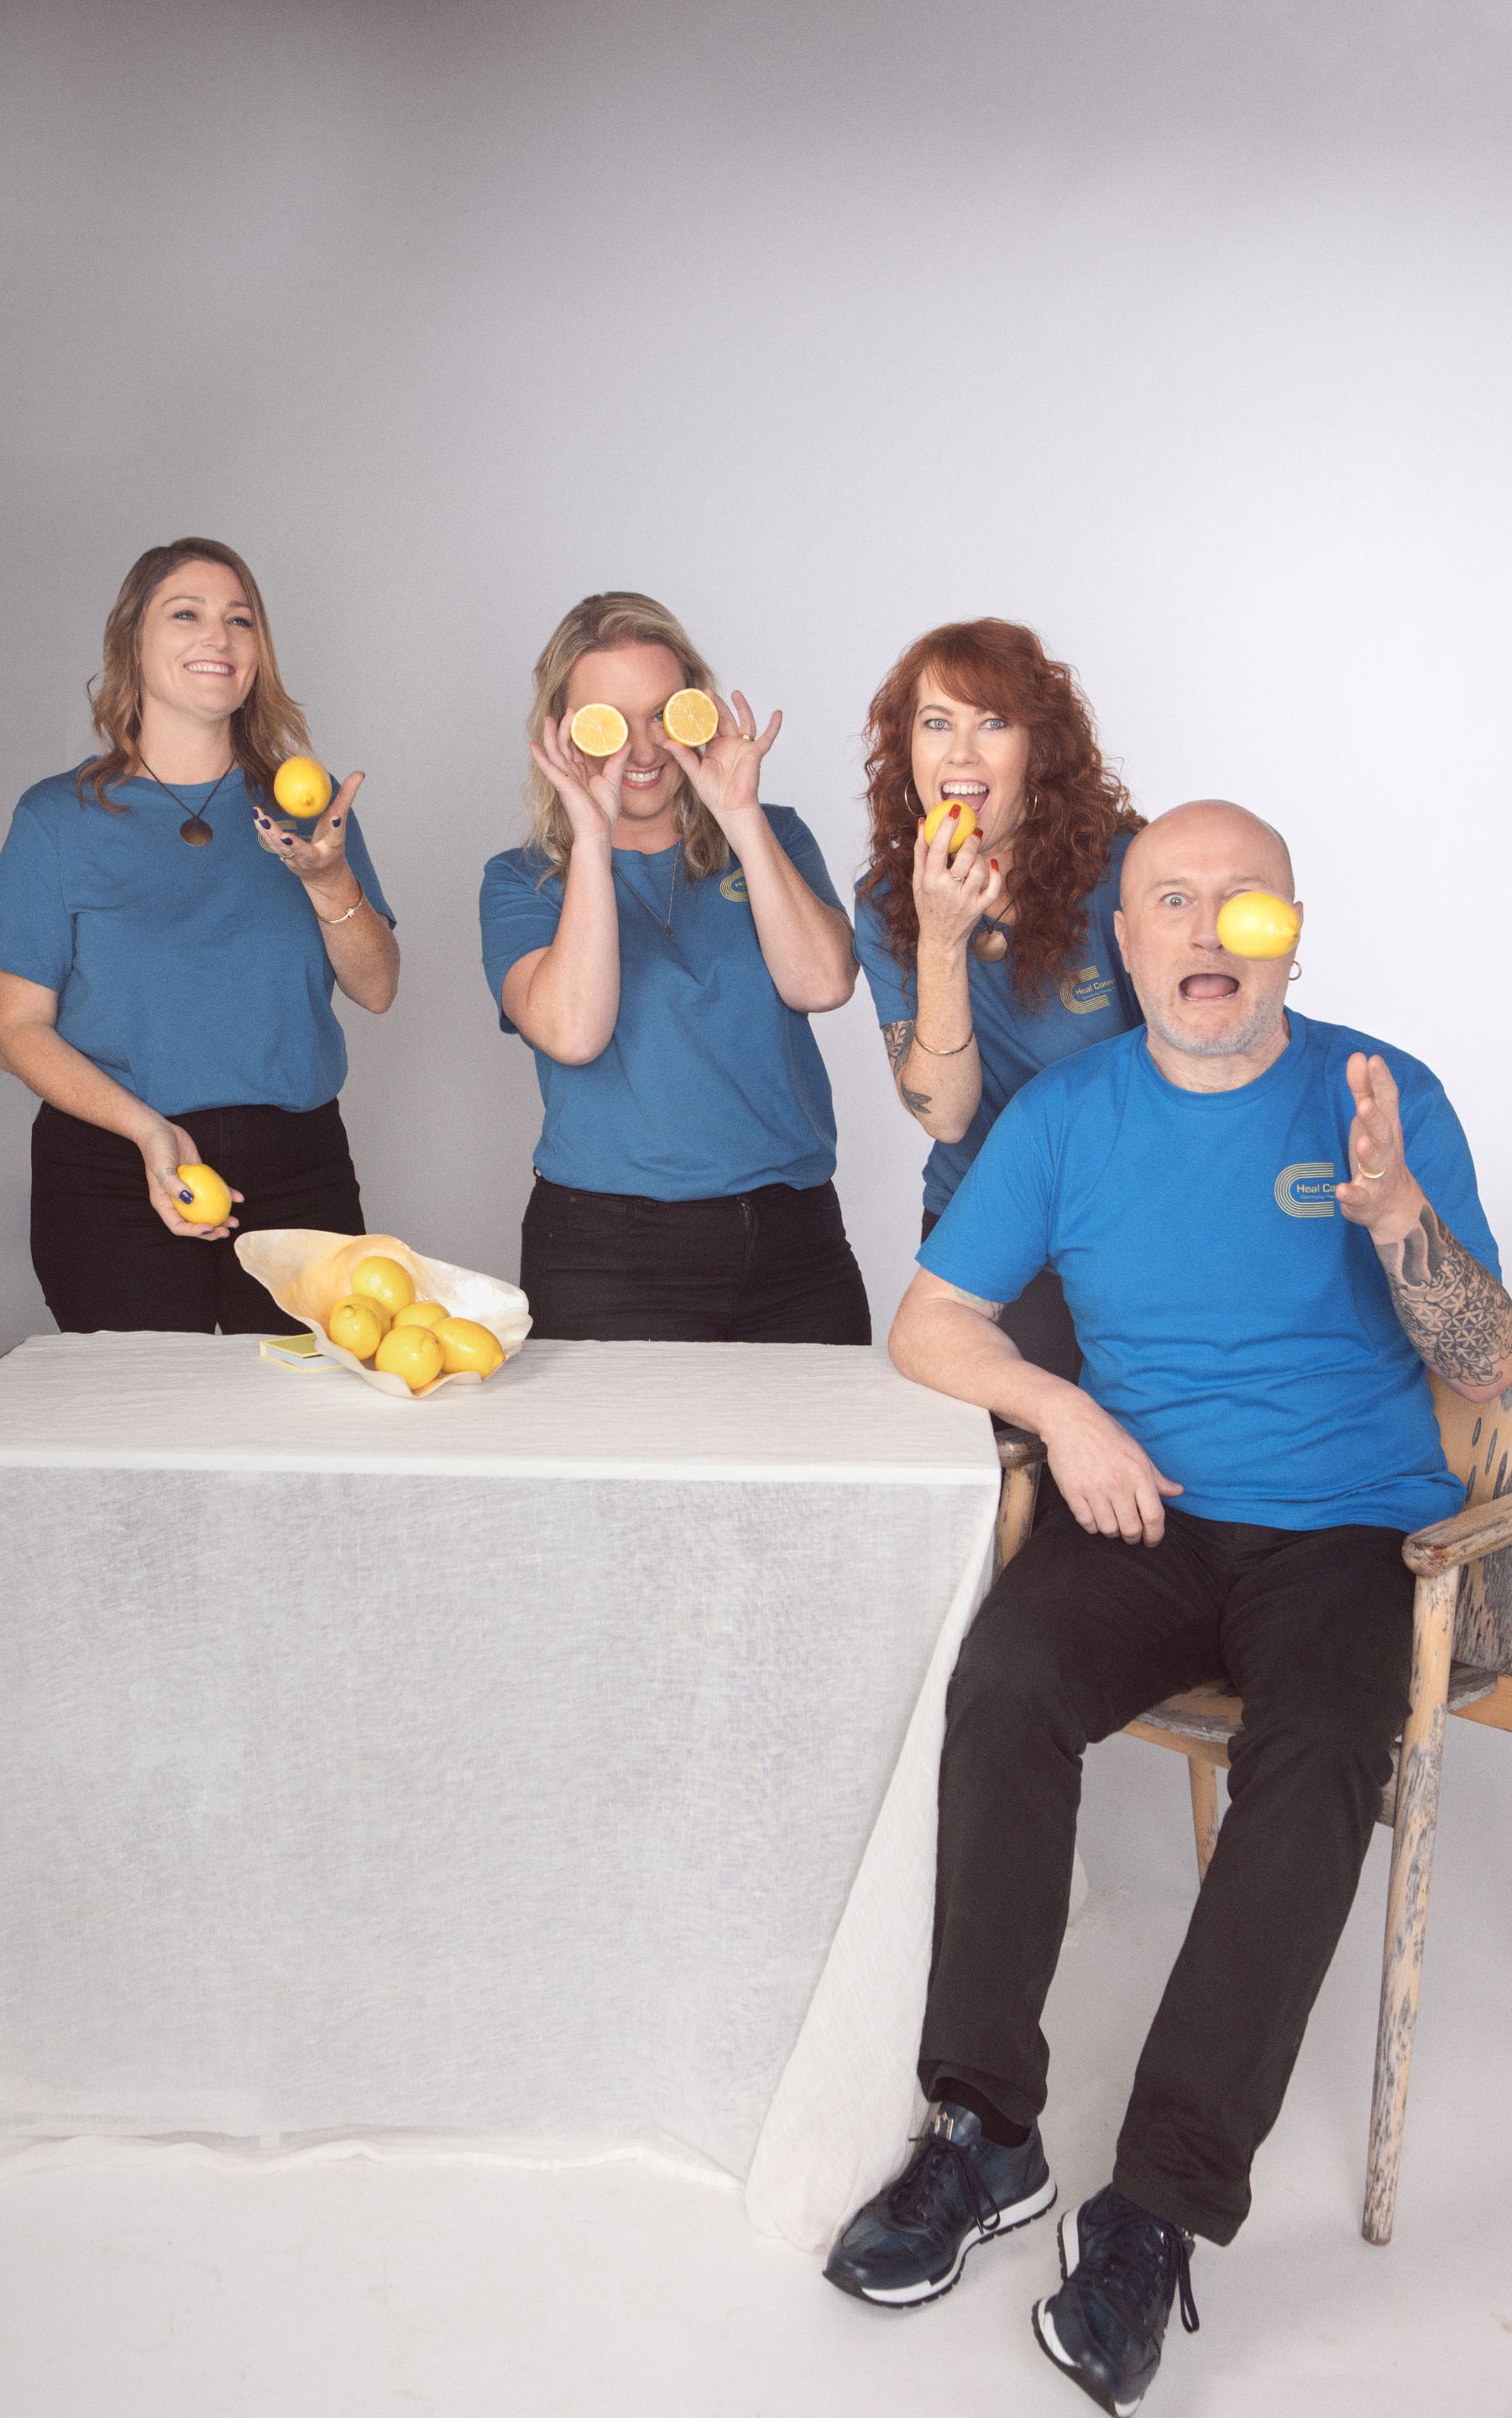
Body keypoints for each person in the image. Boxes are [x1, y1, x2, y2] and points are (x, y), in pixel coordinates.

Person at [824, 800, 1508, 2412]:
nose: (1206, 934)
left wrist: (1402, 1221)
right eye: (1172, 904)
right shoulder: (1064, 1115)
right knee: (1001, 1688)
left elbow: (1486, 1365)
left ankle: (1161, 2206)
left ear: (1290, 929)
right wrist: (1064, 1415)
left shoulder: (1381, 1096)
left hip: (1354, 1537)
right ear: (1122, 944)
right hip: (1146, 1516)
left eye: (1242, 904)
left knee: (1330, 1748)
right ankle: (985, 2131)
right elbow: (932, 1326)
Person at [0, 538, 398, 1333]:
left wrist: (329, 880)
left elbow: (376, 988)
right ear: (134, 642)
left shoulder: (310, 810)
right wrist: (149, 1131)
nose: (217, 639)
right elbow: (16, 1031)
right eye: (185, 614)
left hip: (299, 1168)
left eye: (240, 620)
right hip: (112, 1169)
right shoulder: (57, 819)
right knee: (144, 1437)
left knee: (299, 1433)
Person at [479, 590, 870, 1342]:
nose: (644, 750)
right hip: (609, 1254)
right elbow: (573, 1032)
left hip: (797, 1241)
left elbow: (823, 983)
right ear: (562, 734)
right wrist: (592, 841)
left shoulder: (773, 836)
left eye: (663, 714)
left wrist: (741, 815)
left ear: (701, 709)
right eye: (608, 725)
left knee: (815, 1460)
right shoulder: (522, 880)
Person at [854, 620, 1143, 1379]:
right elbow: (943, 1115)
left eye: (994, 723)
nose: (961, 753)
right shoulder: (889, 900)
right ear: (906, 748)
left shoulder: (1126, 873)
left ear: (1038, 750)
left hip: (1127, 1217)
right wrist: (942, 939)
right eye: (937, 723)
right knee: (1008, 1470)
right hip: (984, 1225)